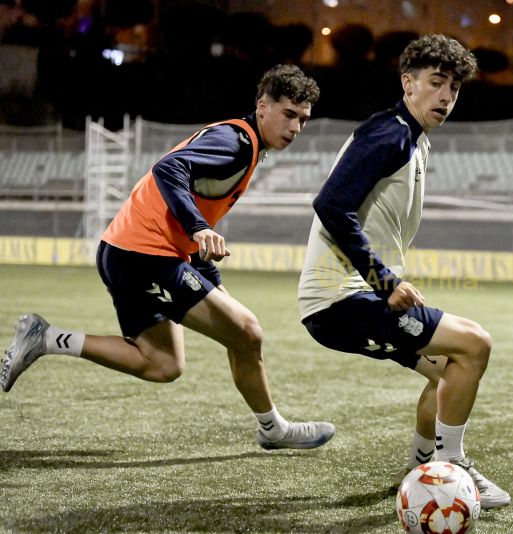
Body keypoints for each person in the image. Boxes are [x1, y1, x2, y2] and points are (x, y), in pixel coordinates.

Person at [2, 64, 335, 451]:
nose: (296, 128)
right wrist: (198, 228)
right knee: (247, 332)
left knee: (163, 364)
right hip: (144, 254)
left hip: (129, 251)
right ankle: (273, 429)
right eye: (289, 114)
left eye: (303, 119)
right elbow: (169, 168)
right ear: (263, 107)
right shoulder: (236, 143)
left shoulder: (245, 145)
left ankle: (46, 338)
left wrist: (210, 275)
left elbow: (192, 204)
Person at [297, 35, 511, 508]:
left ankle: (422, 468)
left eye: (454, 88)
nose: (446, 96)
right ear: (407, 83)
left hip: (353, 299)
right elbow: (331, 204)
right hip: (343, 300)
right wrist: (385, 281)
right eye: (436, 82)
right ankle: (453, 467)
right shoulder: (389, 133)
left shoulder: (414, 141)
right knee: (475, 344)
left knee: (447, 372)